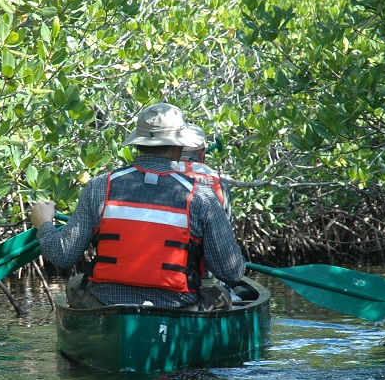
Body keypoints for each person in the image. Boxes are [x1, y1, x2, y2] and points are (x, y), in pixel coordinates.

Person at [30, 103, 246, 310]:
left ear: (138, 143)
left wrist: (44, 224)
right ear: (180, 146)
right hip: (179, 307)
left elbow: (62, 255)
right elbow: (232, 273)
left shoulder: (99, 187)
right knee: (221, 295)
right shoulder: (202, 196)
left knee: (76, 283)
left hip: (107, 306)